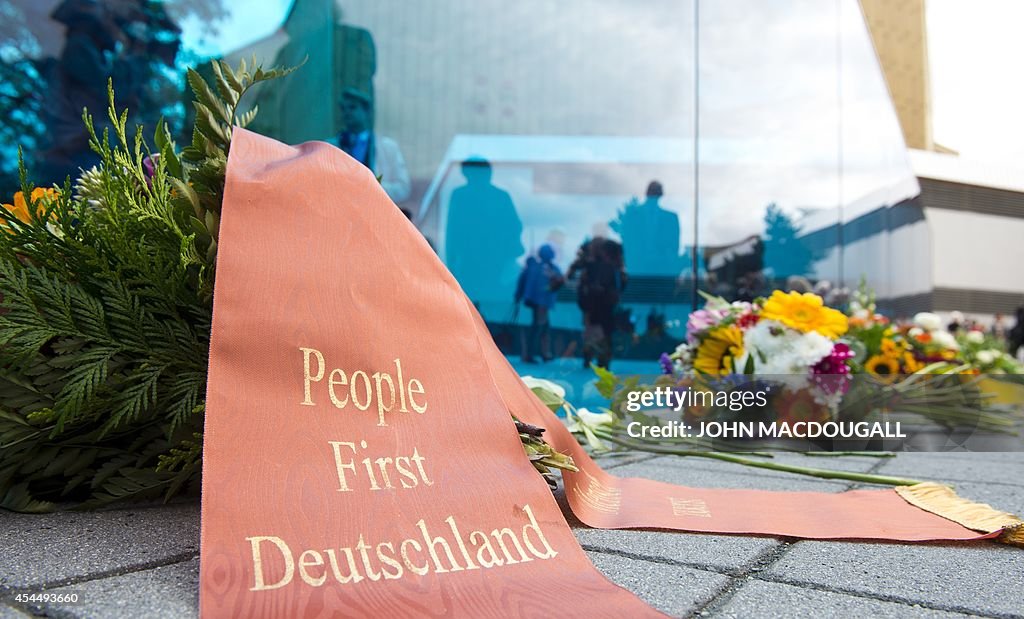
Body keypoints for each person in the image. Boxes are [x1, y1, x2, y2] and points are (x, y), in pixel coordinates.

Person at [445, 158, 524, 306]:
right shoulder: (462, 196)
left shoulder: (462, 195)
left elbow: (514, 227)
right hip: (472, 261)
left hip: (491, 262)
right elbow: (452, 233)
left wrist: (451, 264)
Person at [327, 88, 410, 203]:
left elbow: (403, 188)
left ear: (367, 111)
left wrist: (372, 187)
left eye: (352, 107)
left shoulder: (388, 147)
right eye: (343, 109)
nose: (347, 113)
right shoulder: (330, 146)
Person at [568, 237, 627, 370]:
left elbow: (592, 287)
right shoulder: (615, 267)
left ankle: (596, 357)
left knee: (597, 331)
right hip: (602, 306)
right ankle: (600, 358)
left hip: (599, 306)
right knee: (601, 332)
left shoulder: (604, 267)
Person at [610, 181, 681, 277]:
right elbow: (627, 240)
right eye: (652, 191)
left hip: (662, 271)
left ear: (661, 195)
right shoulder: (632, 215)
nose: (654, 195)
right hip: (636, 270)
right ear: (647, 193)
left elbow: (674, 246)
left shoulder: (670, 218)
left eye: (656, 192)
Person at [514, 244, 564, 363]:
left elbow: (522, 281)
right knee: (538, 327)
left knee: (541, 327)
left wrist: (518, 295)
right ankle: (532, 354)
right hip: (542, 303)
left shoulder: (533, 267)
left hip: (535, 301)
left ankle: (541, 353)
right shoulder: (551, 269)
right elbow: (560, 281)